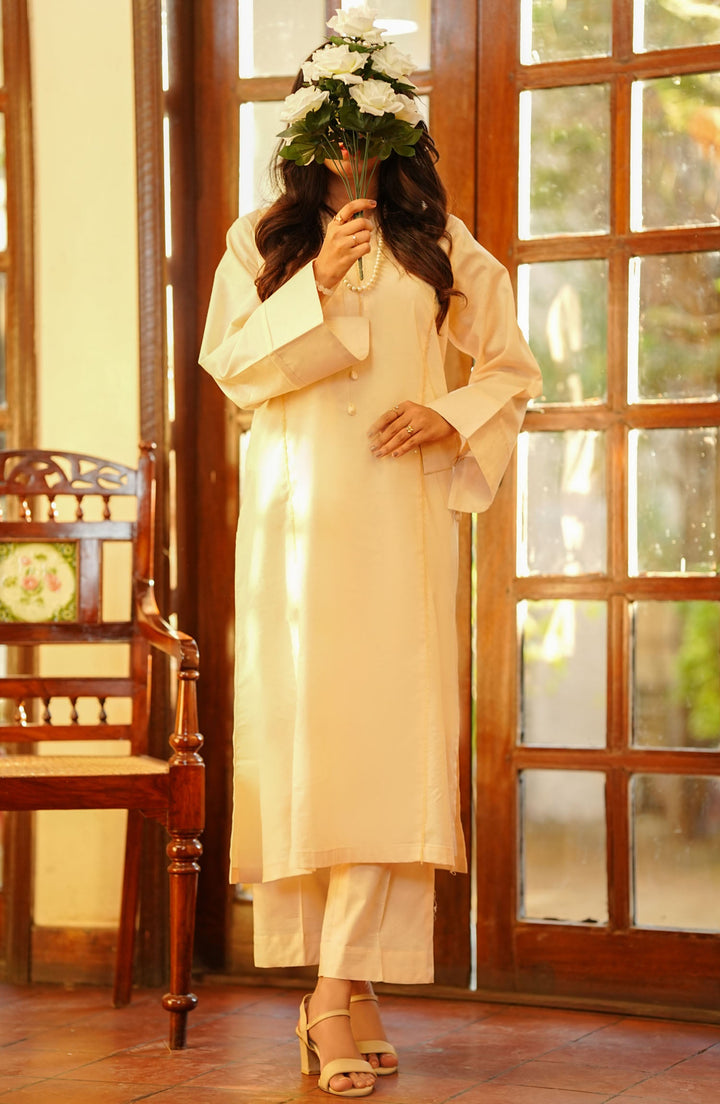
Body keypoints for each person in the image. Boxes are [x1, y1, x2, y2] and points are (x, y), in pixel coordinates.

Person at [199, 7, 541, 1097]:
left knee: (392, 747)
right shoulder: (261, 241)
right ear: (309, 139)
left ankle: (336, 988)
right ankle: (347, 988)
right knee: (318, 748)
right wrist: (316, 280)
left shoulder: (440, 243)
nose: (351, 155)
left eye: (369, 133)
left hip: (397, 525)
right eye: (334, 135)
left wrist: (448, 414)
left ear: (396, 136)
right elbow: (231, 368)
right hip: (300, 532)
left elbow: (511, 369)